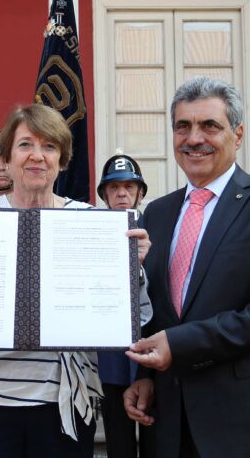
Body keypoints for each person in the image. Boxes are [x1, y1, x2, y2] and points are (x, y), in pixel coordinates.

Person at [0, 103, 151, 458]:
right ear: (7, 158)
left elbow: (139, 316)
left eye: (49, 146)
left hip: (63, 404)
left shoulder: (92, 222)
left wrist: (132, 269)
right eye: (25, 145)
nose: (37, 155)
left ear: (62, 160)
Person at [123, 77, 250, 457]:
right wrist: (147, 375)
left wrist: (179, 345)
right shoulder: (157, 213)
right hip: (172, 425)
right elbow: (160, 309)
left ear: (237, 135)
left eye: (209, 125)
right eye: (183, 126)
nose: (194, 138)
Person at [96, 151, 152, 458]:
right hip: (112, 354)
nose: (121, 193)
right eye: (114, 187)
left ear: (140, 192)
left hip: (150, 348)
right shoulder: (93, 232)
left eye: (129, 186)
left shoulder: (157, 230)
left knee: (155, 432)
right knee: (118, 439)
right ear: (104, 193)